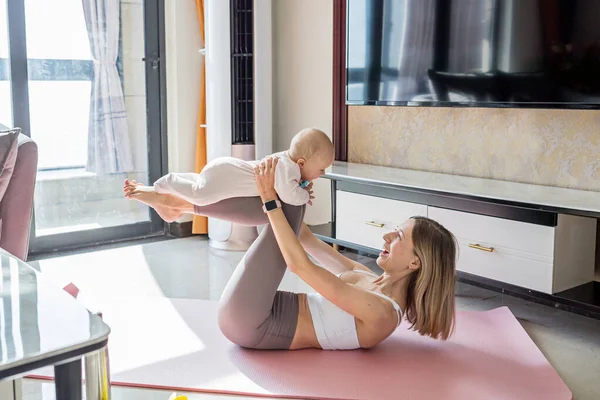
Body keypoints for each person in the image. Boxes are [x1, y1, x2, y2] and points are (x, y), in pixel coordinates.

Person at [123, 157, 458, 350]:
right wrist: (296, 193)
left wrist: (274, 198)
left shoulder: (383, 312)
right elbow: (307, 240)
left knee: (283, 204)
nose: (386, 234)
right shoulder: (368, 278)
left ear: (415, 262)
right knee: (288, 204)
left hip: (254, 322)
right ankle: (181, 204)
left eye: (398, 236)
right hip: (258, 308)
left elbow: (299, 265)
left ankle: (181, 203)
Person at [125, 128, 334, 222]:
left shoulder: (285, 162)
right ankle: (166, 183)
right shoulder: (287, 170)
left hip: (225, 169)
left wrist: (304, 182)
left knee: (199, 185)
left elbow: (292, 186)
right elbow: (290, 196)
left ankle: (156, 192)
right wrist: (304, 194)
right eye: (321, 168)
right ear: (301, 163)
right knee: (199, 194)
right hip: (224, 177)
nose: (322, 173)